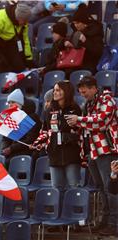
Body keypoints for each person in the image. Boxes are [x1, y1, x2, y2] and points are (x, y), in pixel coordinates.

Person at [65, 76, 117, 236]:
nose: (83, 94)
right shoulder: (88, 104)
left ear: (94, 88)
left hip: (107, 150)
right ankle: (104, 221)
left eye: (85, 91)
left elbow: (101, 122)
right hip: (92, 151)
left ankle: (114, 224)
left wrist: (78, 120)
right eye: (81, 92)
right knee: (101, 188)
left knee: (112, 188)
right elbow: (87, 126)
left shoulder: (108, 100)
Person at [32, 81, 82, 191]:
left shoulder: (75, 109)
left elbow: (80, 131)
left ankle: (72, 208)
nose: (55, 92)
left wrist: (70, 136)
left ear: (66, 91)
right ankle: (59, 208)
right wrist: (37, 144)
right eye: (54, 90)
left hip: (71, 153)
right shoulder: (49, 111)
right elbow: (45, 131)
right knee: (56, 188)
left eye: (58, 90)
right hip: (54, 154)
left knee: (74, 187)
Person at [0, 3, 33, 73]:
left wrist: (28, 58)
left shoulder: (23, 24)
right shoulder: (0, 19)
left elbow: (25, 41)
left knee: (19, 66)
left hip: (7, 40)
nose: (26, 23)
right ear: (18, 18)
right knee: (5, 68)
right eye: (24, 21)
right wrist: (0, 59)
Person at [1, 89, 42, 166]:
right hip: (14, 151)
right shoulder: (11, 117)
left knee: (7, 163)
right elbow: (5, 138)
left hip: (27, 151)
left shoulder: (31, 118)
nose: (10, 105)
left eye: (13, 102)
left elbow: (30, 139)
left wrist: (11, 149)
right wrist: (5, 148)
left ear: (21, 104)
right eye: (9, 102)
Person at [64, 3, 104, 74]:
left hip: (90, 63)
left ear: (84, 23)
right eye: (74, 23)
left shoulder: (95, 32)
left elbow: (98, 51)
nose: (76, 25)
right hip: (76, 62)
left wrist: (85, 41)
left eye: (78, 23)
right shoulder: (76, 32)